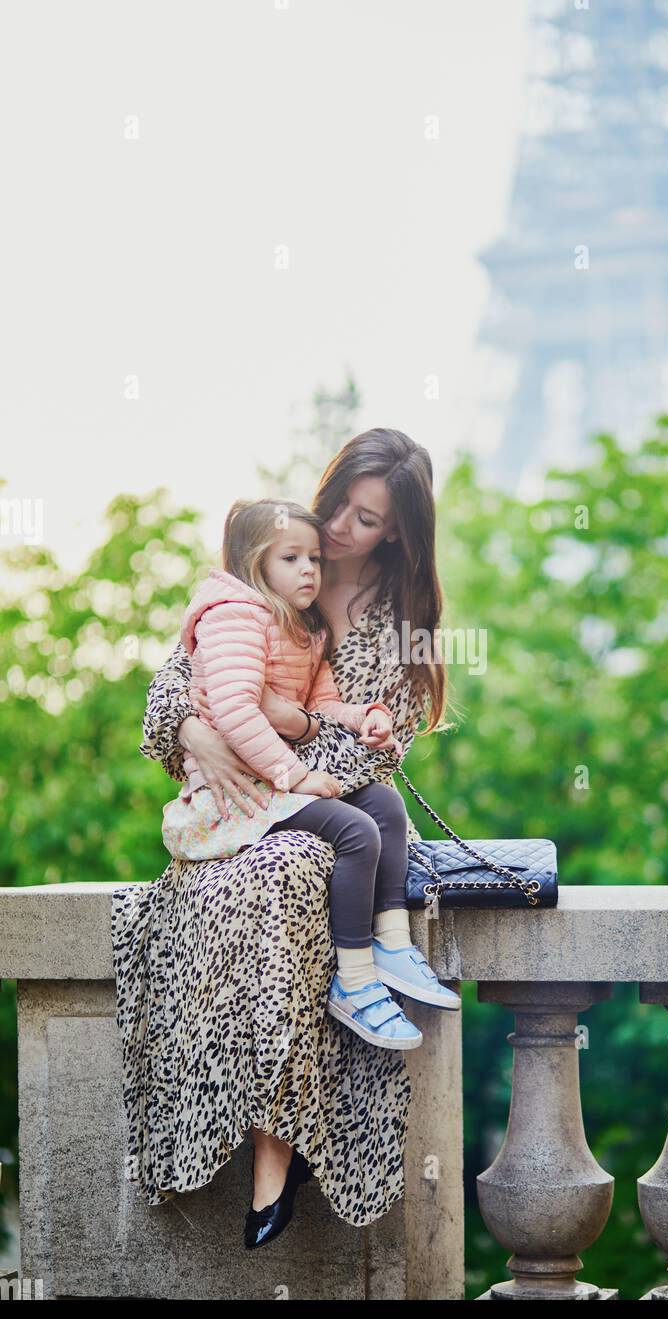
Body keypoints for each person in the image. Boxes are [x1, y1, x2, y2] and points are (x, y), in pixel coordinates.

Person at [110, 427, 453, 1242]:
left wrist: (284, 718)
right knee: (278, 880)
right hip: (246, 811)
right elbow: (175, 692)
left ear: (398, 532)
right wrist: (195, 731)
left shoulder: (401, 620)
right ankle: (271, 1143)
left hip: (317, 809)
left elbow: (375, 749)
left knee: (301, 872)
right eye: (339, 504)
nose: (339, 531)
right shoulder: (266, 562)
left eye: (365, 521)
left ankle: (280, 1145)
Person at [160, 494, 459, 1050]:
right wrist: (293, 772)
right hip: (237, 797)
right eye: (292, 559)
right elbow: (232, 708)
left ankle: (391, 944)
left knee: (385, 807)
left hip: (279, 784)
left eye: (313, 559)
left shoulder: (306, 624)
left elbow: (322, 707)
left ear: (396, 533)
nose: (309, 569)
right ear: (256, 565)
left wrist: (365, 717)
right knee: (355, 829)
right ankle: (356, 980)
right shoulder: (236, 617)